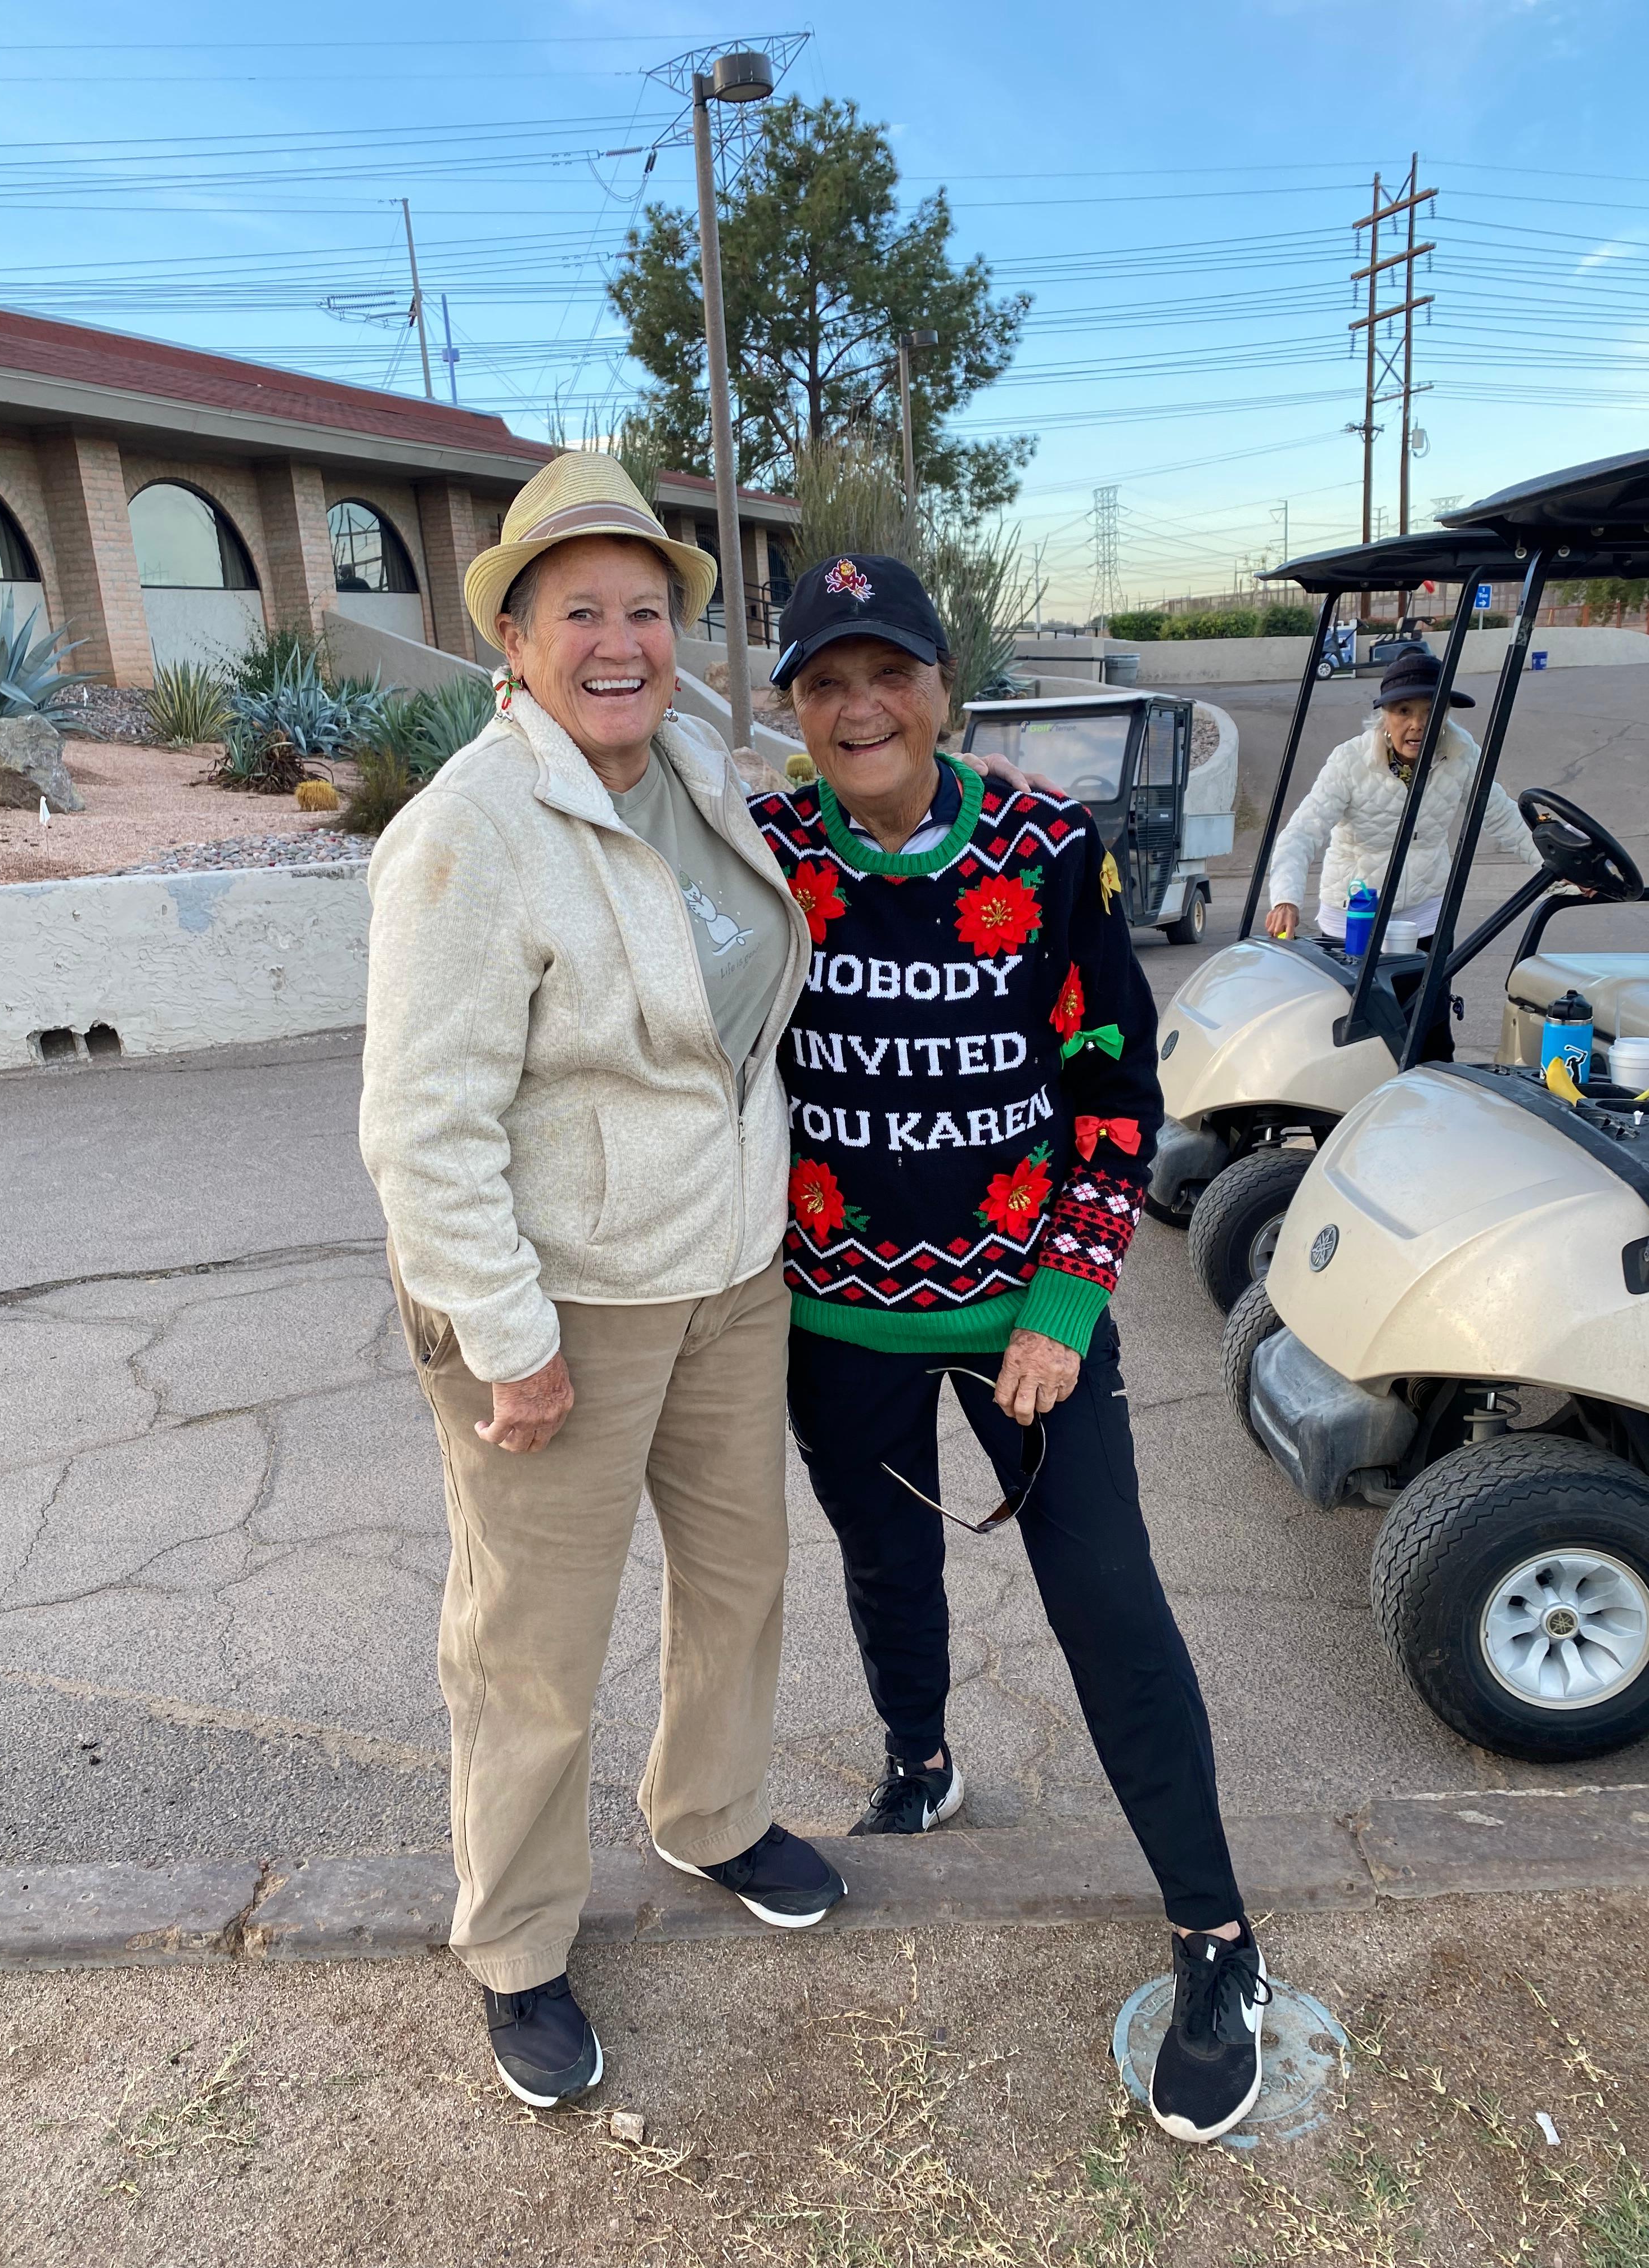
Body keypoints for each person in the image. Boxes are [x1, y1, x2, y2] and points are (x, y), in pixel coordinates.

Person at [751, 553, 1273, 2146]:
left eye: (888, 674)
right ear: (791, 712)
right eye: (826, 684)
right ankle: (921, 1756)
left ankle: (1214, 1935)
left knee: (1107, 1600)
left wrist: (1065, 1298)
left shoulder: (1048, 845)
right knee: (884, 1564)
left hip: (1029, 1317)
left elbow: (1119, 1085)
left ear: (942, 689)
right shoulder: (760, 852)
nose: (861, 709)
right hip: (832, 1312)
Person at [360, 453, 849, 2112]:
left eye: (647, 607)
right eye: (583, 612)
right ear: (514, 637)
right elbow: (422, 1131)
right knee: (530, 1649)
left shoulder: (695, 768)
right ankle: (515, 1947)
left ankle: (708, 1815)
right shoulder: (466, 837)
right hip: (556, 1310)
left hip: (728, 1274)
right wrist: (509, 1343)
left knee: (740, 1581)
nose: (623, 639)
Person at [1265, 647, 1540, 952]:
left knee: (1429, 1000)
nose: (1417, 724)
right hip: (1355, 918)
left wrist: (1559, 867)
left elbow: (1502, 816)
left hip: (1425, 919)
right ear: (1385, 716)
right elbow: (1303, 832)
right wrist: (1285, 899)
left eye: (1430, 711)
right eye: (1404, 711)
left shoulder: (1461, 754)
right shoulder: (1350, 761)